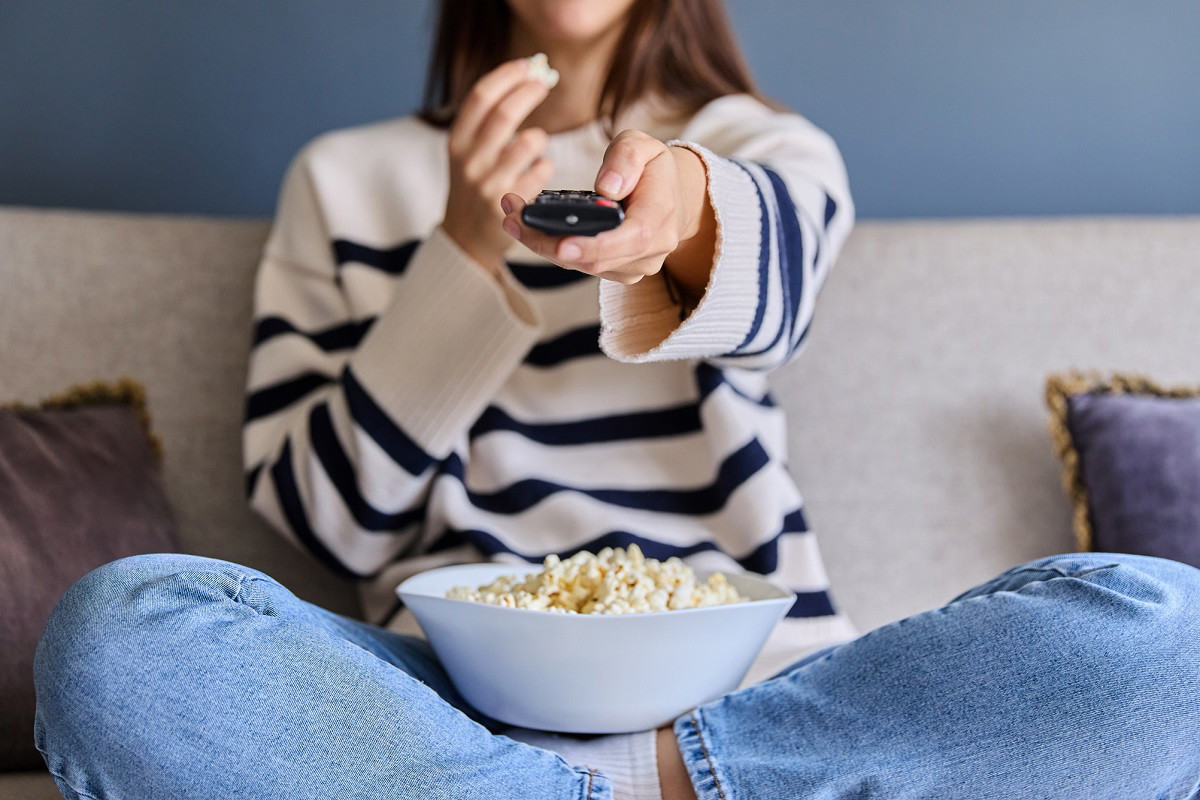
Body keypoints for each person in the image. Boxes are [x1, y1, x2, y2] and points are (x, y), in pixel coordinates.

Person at [32, 0, 1200, 798]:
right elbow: (332, 519)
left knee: (1170, 633)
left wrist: (685, 206)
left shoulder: (758, 145)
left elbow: (776, 277)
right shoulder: (340, 179)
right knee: (119, 635)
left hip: (771, 691)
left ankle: (651, 779)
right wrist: (457, 255)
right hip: (444, 711)